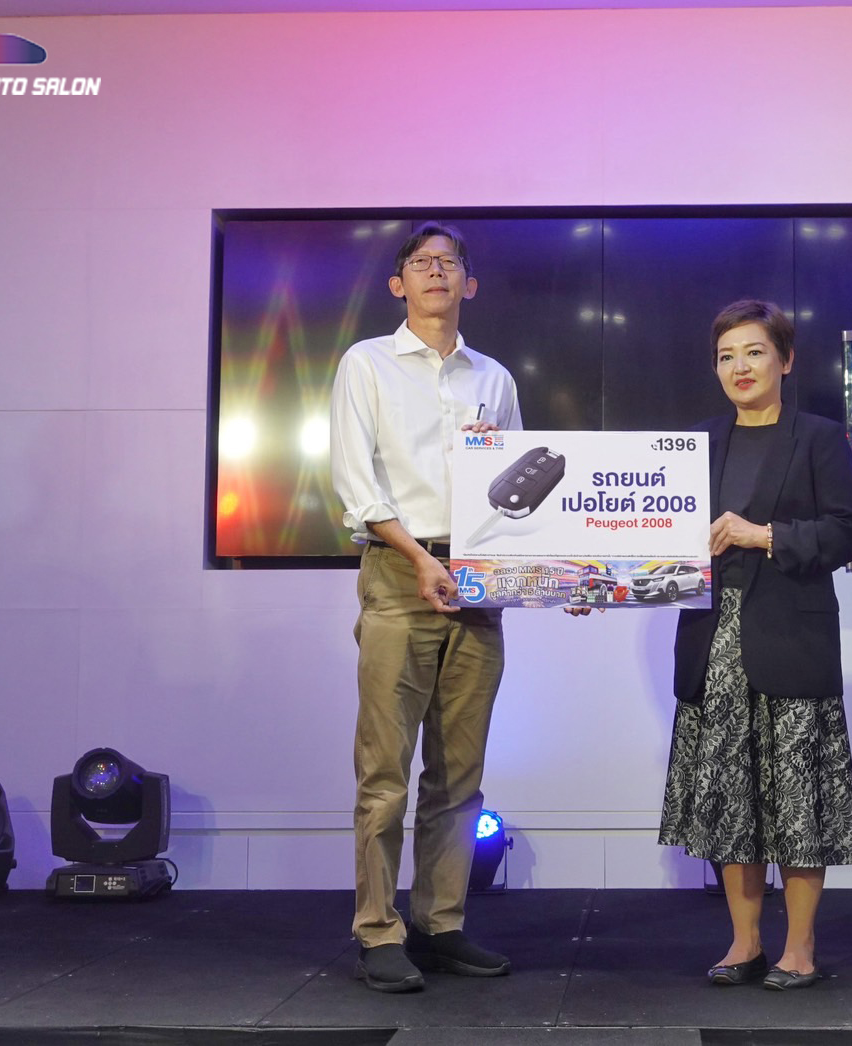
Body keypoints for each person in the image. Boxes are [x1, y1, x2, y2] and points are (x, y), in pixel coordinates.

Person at [329, 222, 521, 993]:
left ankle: (441, 925)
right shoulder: (366, 363)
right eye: (421, 262)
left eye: (449, 263)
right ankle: (378, 930)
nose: (436, 272)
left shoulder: (494, 379)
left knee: (459, 775)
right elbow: (356, 483)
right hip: (398, 576)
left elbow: (519, 493)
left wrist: (559, 577)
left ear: (469, 284)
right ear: (398, 284)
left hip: (477, 580)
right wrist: (418, 559)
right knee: (385, 773)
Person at [658, 299, 852, 990]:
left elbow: (850, 531)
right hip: (712, 643)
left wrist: (766, 535)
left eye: (753, 352)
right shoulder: (693, 446)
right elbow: (656, 539)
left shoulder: (818, 438)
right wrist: (600, 582)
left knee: (798, 800)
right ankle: (744, 943)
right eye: (726, 356)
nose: (739, 367)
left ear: (785, 359)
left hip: (791, 639)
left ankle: (798, 949)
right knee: (730, 798)